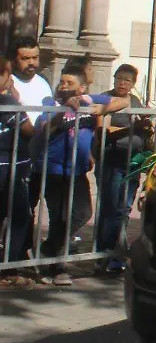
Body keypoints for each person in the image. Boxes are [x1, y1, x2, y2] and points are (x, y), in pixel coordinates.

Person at [29, 64, 96, 286]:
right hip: (54, 170)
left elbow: (119, 103)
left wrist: (90, 153)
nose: (64, 86)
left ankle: (47, 250)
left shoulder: (89, 105)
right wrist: (63, 109)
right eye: (62, 82)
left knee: (82, 212)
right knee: (59, 218)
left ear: (82, 87)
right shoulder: (52, 104)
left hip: (76, 171)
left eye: (70, 83)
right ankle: (57, 268)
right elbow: (45, 127)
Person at [91, 64, 150, 273]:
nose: (123, 83)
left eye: (128, 80)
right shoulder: (105, 99)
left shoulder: (136, 102)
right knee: (109, 209)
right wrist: (134, 128)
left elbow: (143, 129)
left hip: (132, 161)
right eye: (120, 78)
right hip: (111, 160)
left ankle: (116, 254)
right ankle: (103, 253)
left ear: (134, 83)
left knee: (123, 209)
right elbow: (102, 129)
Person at [0, 55, 35, 286]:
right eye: (6, 74)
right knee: (20, 216)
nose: (10, 79)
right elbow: (29, 131)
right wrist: (16, 100)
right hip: (10, 170)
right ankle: (8, 268)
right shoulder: (8, 103)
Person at [7, 37, 54, 125]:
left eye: (35, 57)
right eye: (25, 58)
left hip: (41, 137)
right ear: (14, 60)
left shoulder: (44, 81)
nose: (31, 62)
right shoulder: (6, 82)